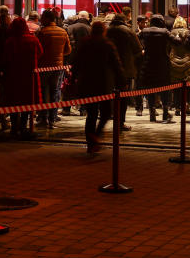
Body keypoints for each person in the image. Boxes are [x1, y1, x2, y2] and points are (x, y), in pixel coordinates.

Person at [70, 20, 123, 153]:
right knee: (106, 113)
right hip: (103, 83)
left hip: (87, 82)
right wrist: (121, 80)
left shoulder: (84, 43)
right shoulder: (107, 44)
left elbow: (75, 62)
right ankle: (96, 136)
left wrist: (73, 79)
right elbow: (116, 65)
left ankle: (91, 142)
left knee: (91, 114)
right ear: (104, 30)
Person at [0, 17, 42, 139]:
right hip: (28, 75)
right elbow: (40, 53)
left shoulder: (9, 41)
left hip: (12, 75)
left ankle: (14, 127)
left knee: (13, 102)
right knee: (27, 102)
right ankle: (23, 127)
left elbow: (5, 58)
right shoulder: (33, 40)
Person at [35, 9, 70, 128]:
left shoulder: (42, 32)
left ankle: (43, 117)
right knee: (55, 91)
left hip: (44, 67)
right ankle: (53, 118)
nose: (40, 20)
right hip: (58, 66)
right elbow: (68, 50)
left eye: (42, 18)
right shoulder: (63, 32)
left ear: (47, 19)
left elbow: (38, 50)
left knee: (43, 92)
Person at [107, 14, 142, 128]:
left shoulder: (106, 31)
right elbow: (138, 49)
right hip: (125, 69)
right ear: (124, 21)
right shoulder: (128, 31)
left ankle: (109, 116)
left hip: (108, 69)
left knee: (108, 94)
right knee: (123, 97)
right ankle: (120, 122)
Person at [138, 14, 173, 123]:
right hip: (162, 63)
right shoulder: (165, 32)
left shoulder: (144, 31)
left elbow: (135, 39)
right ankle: (165, 112)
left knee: (150, 88)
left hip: (148, 63)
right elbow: (177, 41)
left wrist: (141, 49)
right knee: (164, 88)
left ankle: (152, 112)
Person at [168, 11, 190, 116]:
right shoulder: (188, 33)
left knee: (176, 85)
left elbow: (169, 48)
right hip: (187, 61)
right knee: (186, 85)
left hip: (174, 61)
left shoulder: (171, 33)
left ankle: (177, 107)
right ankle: (186, 104)